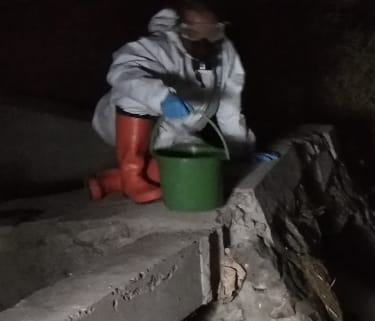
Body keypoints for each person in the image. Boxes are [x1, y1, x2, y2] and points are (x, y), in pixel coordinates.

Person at [86, 0, 275, 204]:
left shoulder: (226, 54)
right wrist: (161, 97)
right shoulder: (157, 46)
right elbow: (123, 72)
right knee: (135, 92)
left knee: (200, 172)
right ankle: (131, 174)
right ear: (179, 28)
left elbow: (229, 107)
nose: (203, 41)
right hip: (125, 124)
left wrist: (242, 152)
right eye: (193, 32)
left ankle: (112, 180)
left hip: (175, 132)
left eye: (211, 32)